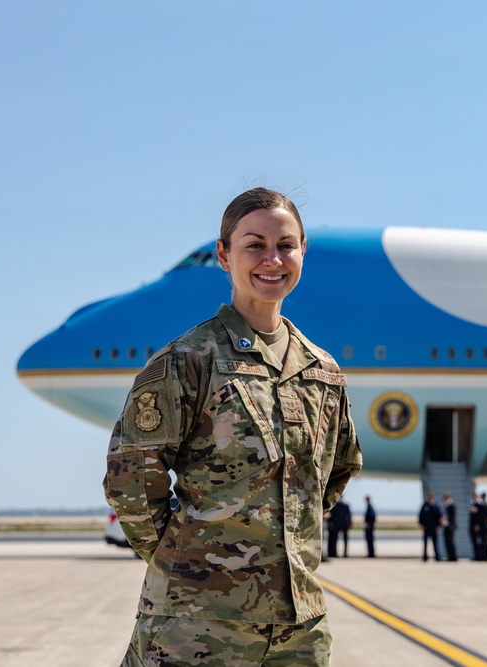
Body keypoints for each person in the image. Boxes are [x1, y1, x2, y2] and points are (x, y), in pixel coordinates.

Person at [103, 187, 362, 667]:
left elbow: (335, 471)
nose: (272, 258)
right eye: (254, 244)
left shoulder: (322, 372)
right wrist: (187, 566)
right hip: (198, 627)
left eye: (286, 244)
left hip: (298, 632)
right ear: (225, 256)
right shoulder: (188, 360)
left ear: (303, 250)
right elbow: (132, 482)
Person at [418, 491, 441, 562]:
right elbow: (421, 516)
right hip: (426, 527)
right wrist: (421, 525)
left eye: (432, 496)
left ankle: (437, 556)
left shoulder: (436, 506)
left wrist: (437, 526)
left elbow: (439, 517)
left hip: (434, 527)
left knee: (435, 543)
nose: (430, 497)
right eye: (429, 496)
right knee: (425, 543)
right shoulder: (425, 505)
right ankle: (425, 557)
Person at [441, 492, 457, 561]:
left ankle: (453, 556)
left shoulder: (452, 505)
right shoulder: (446, 505)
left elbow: (452, 517)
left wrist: (446, 521)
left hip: (450, 526)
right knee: (447, 542)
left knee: (451, 542)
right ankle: (449, 556)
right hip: (445, 526)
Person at [476, 491, 487, 561]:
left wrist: (477, 525)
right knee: (485, 541)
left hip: (482, 526)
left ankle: (483, 556)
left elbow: (480, 516)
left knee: (482, 541)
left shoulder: (481, 505)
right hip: (486, 525)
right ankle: (486, 556)